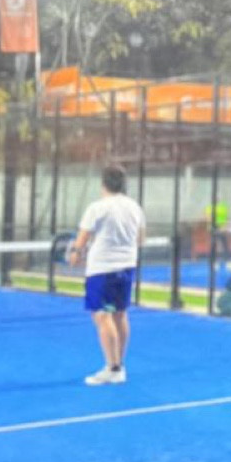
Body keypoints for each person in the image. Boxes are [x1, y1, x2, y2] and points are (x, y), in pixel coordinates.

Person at [67, 164, 146, 385]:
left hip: (102, 269)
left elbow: (81, 240)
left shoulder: (97, 208)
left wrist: (75, 254)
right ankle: (119, 364)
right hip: (126, 267)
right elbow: (140, 239)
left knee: (102, 316)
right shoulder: (135, 207)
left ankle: (113, 368)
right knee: (119, 314)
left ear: (103, 184)